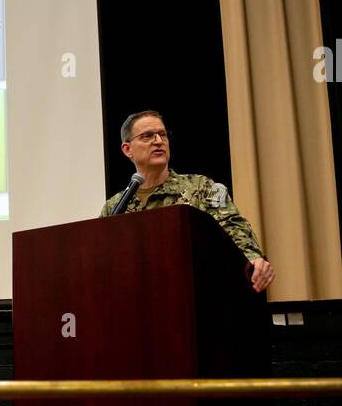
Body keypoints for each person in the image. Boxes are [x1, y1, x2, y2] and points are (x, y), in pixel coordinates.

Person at [101, 110, 276, 293]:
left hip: (195, 293)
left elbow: (233, 226)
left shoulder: (204, 186)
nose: (159, 141)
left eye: (162, 134)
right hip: (136, 298)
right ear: (127, 149)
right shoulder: (115, 206)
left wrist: (252, 260)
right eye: (147, 136)